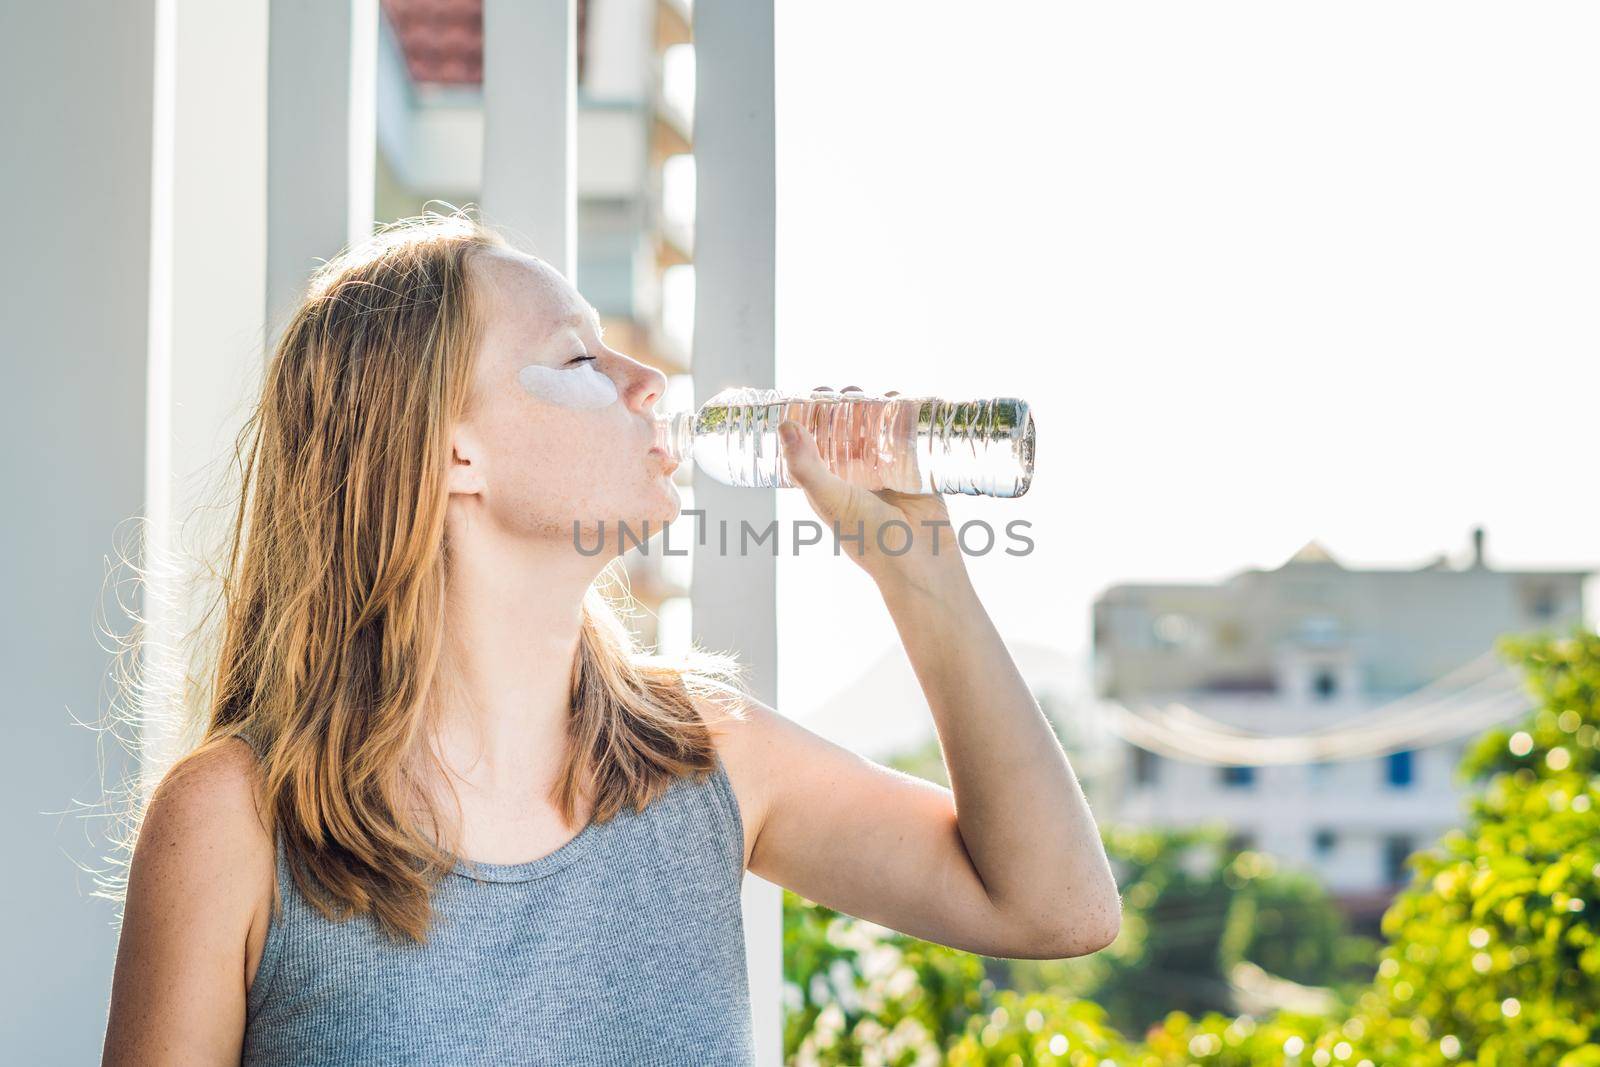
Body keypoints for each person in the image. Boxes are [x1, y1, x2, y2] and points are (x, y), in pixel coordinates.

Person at [100, 211, 1120, 1065]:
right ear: (451, 451)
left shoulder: (706, 755)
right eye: (580, 356)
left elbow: (1051, 906)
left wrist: (917, 566)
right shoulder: (238, 818)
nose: (648, 383)